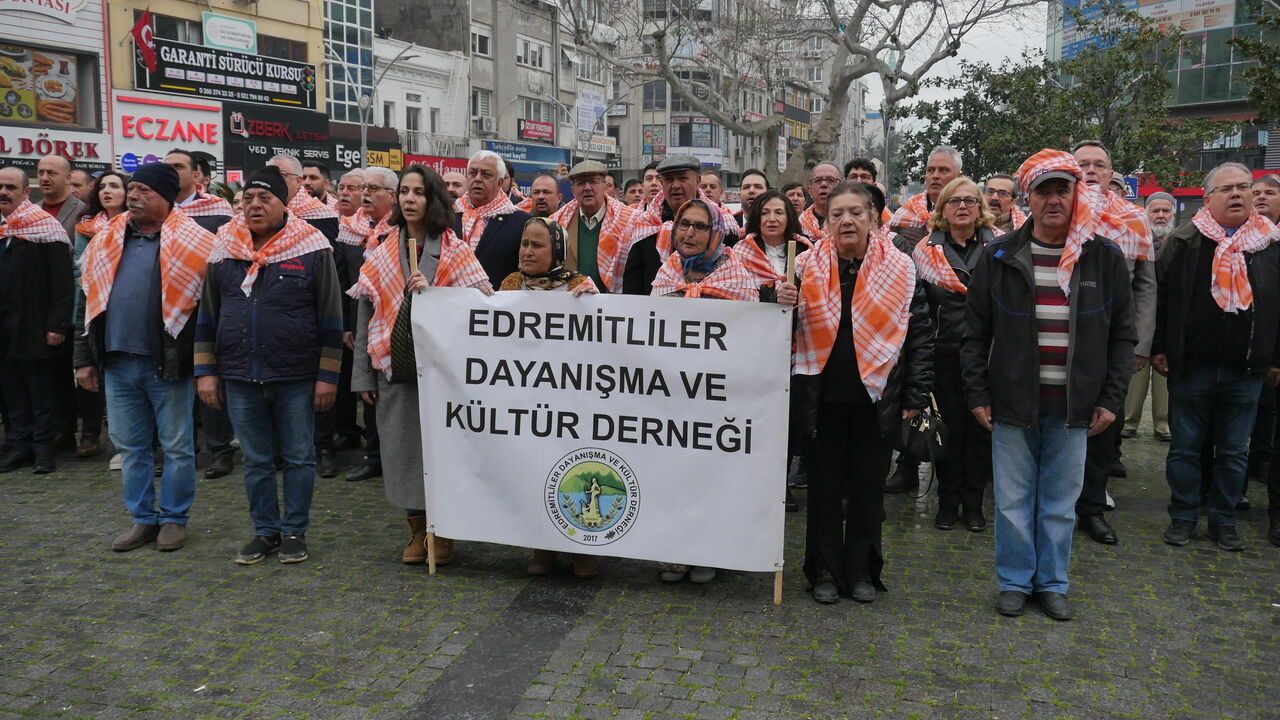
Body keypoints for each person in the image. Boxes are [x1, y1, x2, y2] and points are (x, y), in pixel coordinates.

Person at [962, 149, 1135, 620]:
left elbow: (1124, 336)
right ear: (1028, 198)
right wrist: (977, 394)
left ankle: (1053, 582)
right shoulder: (999, 257)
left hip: (1076, 404)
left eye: (1063, 189)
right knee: (1014, 502)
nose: (1054, 199)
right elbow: (974, 334)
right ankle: (1015, 581)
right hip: (1013, 401)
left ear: (1077, 194)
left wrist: (1111, 399)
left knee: (1060, 504)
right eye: (1044, 191)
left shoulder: (1104, 258)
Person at [196, 166, 344, 566]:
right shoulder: (224, 249)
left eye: (265, 199)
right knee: (256, 461)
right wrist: (205, 370)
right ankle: (265, 531)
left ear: (284, 204)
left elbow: (331, 317)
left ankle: (295, 530)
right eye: (248, 199)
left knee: (298, 456)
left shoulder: (312, 247)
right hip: (240, 374)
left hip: (296, 375)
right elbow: (207, 314)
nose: (254, 206)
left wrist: (327, 376)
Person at [793, 181, 933, 604]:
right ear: (826, 221)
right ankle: (822, 572)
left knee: (868, 490)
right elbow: (782, 332)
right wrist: (776, 300)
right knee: (823, 489)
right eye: (837, 214)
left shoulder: (902, 267)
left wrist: (915, 395)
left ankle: (861, 573)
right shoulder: (803, 267)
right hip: (823, 399)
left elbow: (920, 335)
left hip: (878, 400)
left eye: (856, 212)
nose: (846, 221)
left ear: (874, 217)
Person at [349, 165, 493, 566]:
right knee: (404, 451)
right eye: (404, 192)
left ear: (432, 200)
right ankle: (417, 528)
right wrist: (363, 375)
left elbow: (482, 306)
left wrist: (436, 295)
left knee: (443, 452)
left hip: (444, 373)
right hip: (396, 369)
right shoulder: (379, 253)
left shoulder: (455, 250)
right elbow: (365, 315)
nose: (409, 199)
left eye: (418, 192)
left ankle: (444, 531)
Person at [75, 162, 218, 551]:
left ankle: (173, 518)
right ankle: (142, 519)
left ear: (166, 198)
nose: (133, 196)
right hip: (117, 361)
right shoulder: (108, 237)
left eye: (144, 191)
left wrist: (204, 366)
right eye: (132, 189)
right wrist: (83, 357)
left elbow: (209, 313)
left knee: (176, 445)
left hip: (167, 364)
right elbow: (86, 301)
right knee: (130, 447)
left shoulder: (198, 242)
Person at [1153, 162, 1280, 553]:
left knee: (1233, 451)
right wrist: (1160, 347)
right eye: (1227, 189)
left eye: (1243, 186)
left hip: (1246, 370)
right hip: (1192, 367)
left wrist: (1274, 357)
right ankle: (1184, 516)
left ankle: (1224, 521)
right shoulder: (1184, 240)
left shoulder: (1270, 243)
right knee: (1186, 448)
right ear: (1207, 199)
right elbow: (1161, 298)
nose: (1238, 194)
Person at [649, 197, 757, 583]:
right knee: (673, 473)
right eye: (683, 225)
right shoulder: (667, 274)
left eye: (699, 226)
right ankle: (673, 551)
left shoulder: (736, 276)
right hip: (672, 396)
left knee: (711, 474)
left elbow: (750, 339)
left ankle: (710, 549)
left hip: (716, 397)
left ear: (716, 233)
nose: (689, 233)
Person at [501, 217, 601, 577]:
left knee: (573, 471)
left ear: (557, 249)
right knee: (534, 469)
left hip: (573, 402)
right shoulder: (510, 285)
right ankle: (541, 545)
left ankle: (581, 549)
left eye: (537, 245)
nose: (528, 251)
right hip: (528, 399)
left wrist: (592, 302)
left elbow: (600, 336)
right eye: (525, 243)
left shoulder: (579, 285)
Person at [1071, 140, 1156, 546]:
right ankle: (1054, 504)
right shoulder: (1054, 214)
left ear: (1110, 173)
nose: (1090, 170)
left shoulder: (1134, 221)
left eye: (1098, 165)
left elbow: (1145, 289)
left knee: (1105, 426)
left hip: (1110, 346)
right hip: (1060, 343)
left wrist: (1139, 347)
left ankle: (1091, 509)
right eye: (1082, 163)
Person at [911, 176, 996, 532]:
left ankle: (973, 504)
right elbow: (918, 311)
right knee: (948, 432)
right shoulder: (924, 252)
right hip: (944, 354)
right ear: (942, 209)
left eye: (970, 201)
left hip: (988, 357)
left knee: (981, 433)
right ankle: (947, 501)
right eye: (954, 201)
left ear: (980, 209)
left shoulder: (999, 248)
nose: (962, 207)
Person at [885, 145, 962, 493]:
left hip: (950, 328)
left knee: (947, 405)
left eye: (943, 171)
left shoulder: (966, 214)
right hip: (910, 319)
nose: (935, 176)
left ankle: (953, 479)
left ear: (957, 176)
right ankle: (906, 464)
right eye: (931, 170)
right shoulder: (905, 216)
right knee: (910, 398)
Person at [166, 148, 238, 480]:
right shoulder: (159, 210)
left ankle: (220, 449)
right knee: (172, 381)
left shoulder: (218, 212)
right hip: (166, 310)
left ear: (197, 175)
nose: (171, 171)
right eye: (166, 166)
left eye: (178, 166)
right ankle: (180, 448)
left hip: (207, 309)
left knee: (210, 379)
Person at [0, 166, 73, 474]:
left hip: (36, 326)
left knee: (41, 391)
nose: (3, 192)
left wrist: (56, 325)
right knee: (12, 390)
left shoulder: (46, 228)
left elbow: (62, 284)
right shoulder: (2, 229)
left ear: (25, 192)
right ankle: (20, 446)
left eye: (10, 188)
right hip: (4, 328)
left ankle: (43, 449)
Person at [343, 166, 400, 484]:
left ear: (392, 196)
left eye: (373, 188)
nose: (364, 193)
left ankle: (393, 457)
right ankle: (374, 456)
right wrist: (348, 324)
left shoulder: (399, 232)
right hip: (361, 323)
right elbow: (346, 280)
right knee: (367, 391)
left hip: (392, 324)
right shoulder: (350, 231)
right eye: (362, 187)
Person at [70, 171, 130, 461]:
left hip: (126, 310)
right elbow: (81, 275)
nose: (107, 191)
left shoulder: (136, 227)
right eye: (103, 186)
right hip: (95, 310)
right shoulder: (87, 228)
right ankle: (117, 444)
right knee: (103, 382)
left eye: (115, 186)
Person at [623, 155, 737, 295]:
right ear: (662, 183)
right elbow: (632, 290)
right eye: (669, 180)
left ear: (697, 181)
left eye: (683, 178)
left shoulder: (722, 226)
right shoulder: (644, 227)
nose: (676, 185)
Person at [1122, 192, 1175, 443]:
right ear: (1146, 213)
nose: (1161, 216)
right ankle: (1129, 421)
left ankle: (1162, 423)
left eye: (1166, 211)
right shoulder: (1136, 238)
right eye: (1156, 211)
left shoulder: (1178, 241)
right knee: (1136, 375)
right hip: (1140, 320)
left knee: (1163, 377)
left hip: (1166, 320)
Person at [546, 160, 639, 293]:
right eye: (581, 183)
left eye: (593, 181)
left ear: (604, 187)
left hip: (614, 307)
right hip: (570, 305)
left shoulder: (629, 220)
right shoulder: (557, 222)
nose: (587, 188)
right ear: (573, 190)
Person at [453, 150, 528, 288]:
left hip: (497, 306)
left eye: (486, 174)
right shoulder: (447, 217)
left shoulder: (521, 223)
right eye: (473, 173)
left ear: (500, 183)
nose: (477, 179)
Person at [267, 154, 340, 241]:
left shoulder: (324, 215)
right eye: (269, 174)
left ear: (298, 181)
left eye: (281, 175)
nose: (307, 182)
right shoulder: (260, 208)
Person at [798, 163, 841, 237]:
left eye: (830, 180)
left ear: (841, 187)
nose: (824, 184)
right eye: (818, 180)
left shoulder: (849, 223)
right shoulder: (797, 226)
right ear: (810, 191)